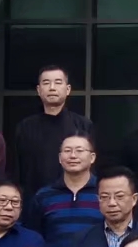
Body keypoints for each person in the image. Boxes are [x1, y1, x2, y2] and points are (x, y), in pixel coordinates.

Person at [10, 65, 93, 194]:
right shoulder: (25, 127)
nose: (52, 87)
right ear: (39, 90)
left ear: (68, 89)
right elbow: (16, 170)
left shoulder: (83, 125)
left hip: (75, 197)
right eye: (46, 83)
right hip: (33, 199)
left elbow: (93, 167)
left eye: (58, 82)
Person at [29, 133, 102, 247]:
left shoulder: (104, 192)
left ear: (92, 157)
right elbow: (33, 236)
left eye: (79, 151)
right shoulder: (44, 196)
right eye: (67, 151)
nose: (73, 156)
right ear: (59, 158)